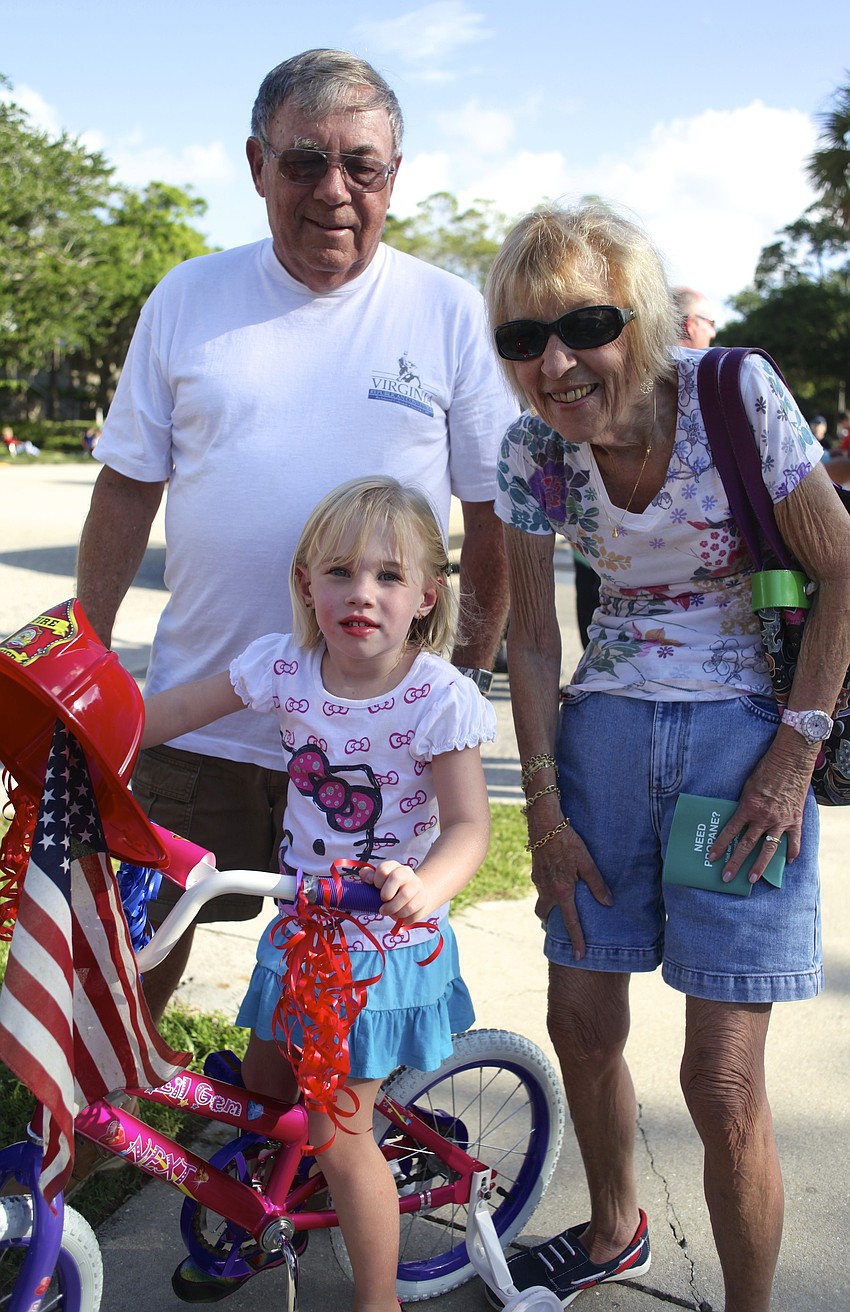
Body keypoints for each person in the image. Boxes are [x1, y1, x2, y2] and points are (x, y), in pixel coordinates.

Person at [75, 48, 515, 1026]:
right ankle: (91, 1152)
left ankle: (320, 1170)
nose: (334, 190)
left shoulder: (445, 312)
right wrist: (89, 655)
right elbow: (124, 489)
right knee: (128, 964)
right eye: (304, 161)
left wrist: (463, 677)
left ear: (393, 175)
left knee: (349, 1003)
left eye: (362, 165)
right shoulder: (188, 297)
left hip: (376, 747)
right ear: (255, 163)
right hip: (204, 723)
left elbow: (494, 517)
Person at [482, 203, 850, 1311]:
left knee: (721, 1080)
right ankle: (612, 1229)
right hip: (600, 749)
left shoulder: (729, 394)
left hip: (742, 757)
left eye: (583, 324)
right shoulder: (532, 449)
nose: (554, 362)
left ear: (635, 316)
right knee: (580, 1025)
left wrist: (792, 756)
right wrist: (541, 811)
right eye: (520, 338)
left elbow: (842, 570)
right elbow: (536, 636)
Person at [138, 476, 495, 1308]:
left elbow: (470, 825)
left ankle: (378, 1299)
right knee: (263, 1100)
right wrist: (89, 736)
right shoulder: (285, 669)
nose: (360, 594)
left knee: (338, 1134)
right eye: (338, 573)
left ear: (424, 598)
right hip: (301, 930)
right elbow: (164, 715)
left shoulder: (438, 698)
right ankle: (267, 1221)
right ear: (306, 584)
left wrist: (425, 882)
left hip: (382, 951)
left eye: (387, 577)